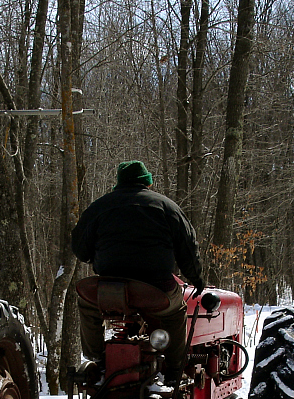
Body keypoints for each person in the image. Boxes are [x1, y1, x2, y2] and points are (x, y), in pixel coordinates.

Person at [71, 160, 204, 381]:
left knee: (87, 304)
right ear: (147, 183)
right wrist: (196, 278)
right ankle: (174, 370)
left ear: (119, 183)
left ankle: (98, 357)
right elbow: (188, 248)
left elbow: (80, 250)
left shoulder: (99, 207)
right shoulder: (166, 207)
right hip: (155, 288)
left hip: (110, 287)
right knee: (176, 311)